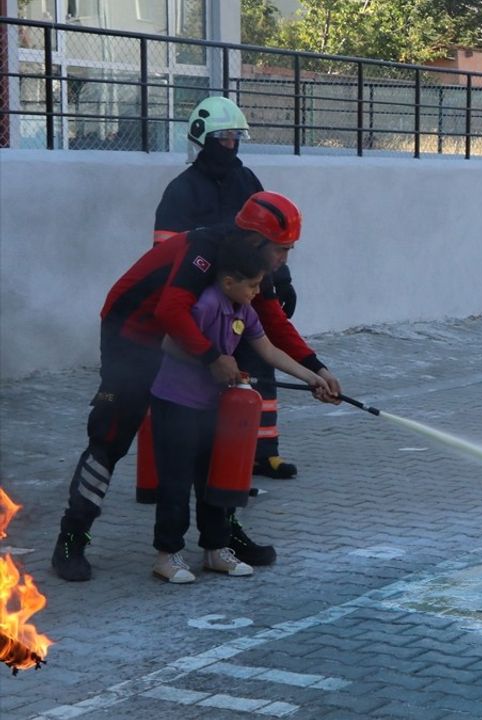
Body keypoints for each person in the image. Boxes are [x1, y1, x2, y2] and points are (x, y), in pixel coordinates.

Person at [51, 192, 343, 582]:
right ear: (256, 240)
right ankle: (72, 537)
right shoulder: (204, 249)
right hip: (133, 334)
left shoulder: (252, 266)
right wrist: (213, 358)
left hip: (185, 347)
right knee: (111, 436)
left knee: (217, 443)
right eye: (282, 249)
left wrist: (316, 369)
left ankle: (220, 535)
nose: (284, 259)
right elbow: (169, 310)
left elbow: (271, 324)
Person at [150, 238, 330, 583]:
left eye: (260, 284)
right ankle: (167, 555)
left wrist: (314, 378)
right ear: (229, 282)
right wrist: (213, 362)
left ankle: (215, 550)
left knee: (214, 481)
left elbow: (270, 351)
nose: (257, 291)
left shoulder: (244, 311)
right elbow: (169, 343)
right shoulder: (206, 305)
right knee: (176, 483)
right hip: (175, 404)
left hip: (210, 408)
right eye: (252, 285)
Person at [155, 96, 301, 481]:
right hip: (204, 300)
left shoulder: (246, 179)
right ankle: (223, 461)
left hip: (247, 293)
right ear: (202, 137)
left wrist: (279, 280)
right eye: (224, 138)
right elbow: (166, 250)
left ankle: (264, 452)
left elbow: (270, 235)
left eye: (236, 137)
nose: (231, 145)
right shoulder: (181, 190)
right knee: (219, 374)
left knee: (260, 368)